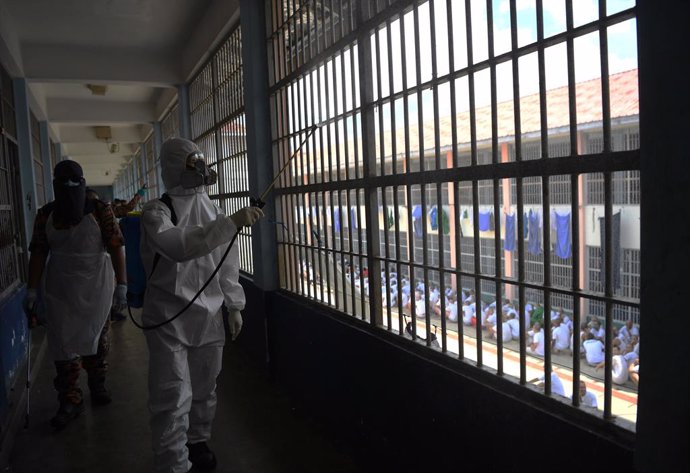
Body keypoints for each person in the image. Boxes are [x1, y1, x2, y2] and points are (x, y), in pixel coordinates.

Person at [140, 138, 264, 473]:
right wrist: (231, 224)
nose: (200, 170)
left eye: (200, 162)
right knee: (172, 395)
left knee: (205, 387)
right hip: (169, 319)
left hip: (209, 316)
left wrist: (234, 304)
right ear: (174, 166)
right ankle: (173, 463)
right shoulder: (157, 211)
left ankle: (197, 440)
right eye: (191, 163)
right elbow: (180, 246)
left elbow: (225, 262)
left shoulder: (212, 209)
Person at [23, 160, 127, 430]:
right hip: (60, 288)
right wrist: (32, 290)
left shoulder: (100, 211)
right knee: (62, 343)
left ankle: (97, 384)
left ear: (82, 182)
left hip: (97, 285)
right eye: (63, 181)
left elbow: (116, 247)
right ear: (55, 185)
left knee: (97, 338)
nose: (69, 186)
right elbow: (38, 253)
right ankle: (70, 398)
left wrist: (122, 286)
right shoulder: (46, 215)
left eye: (74, 180)